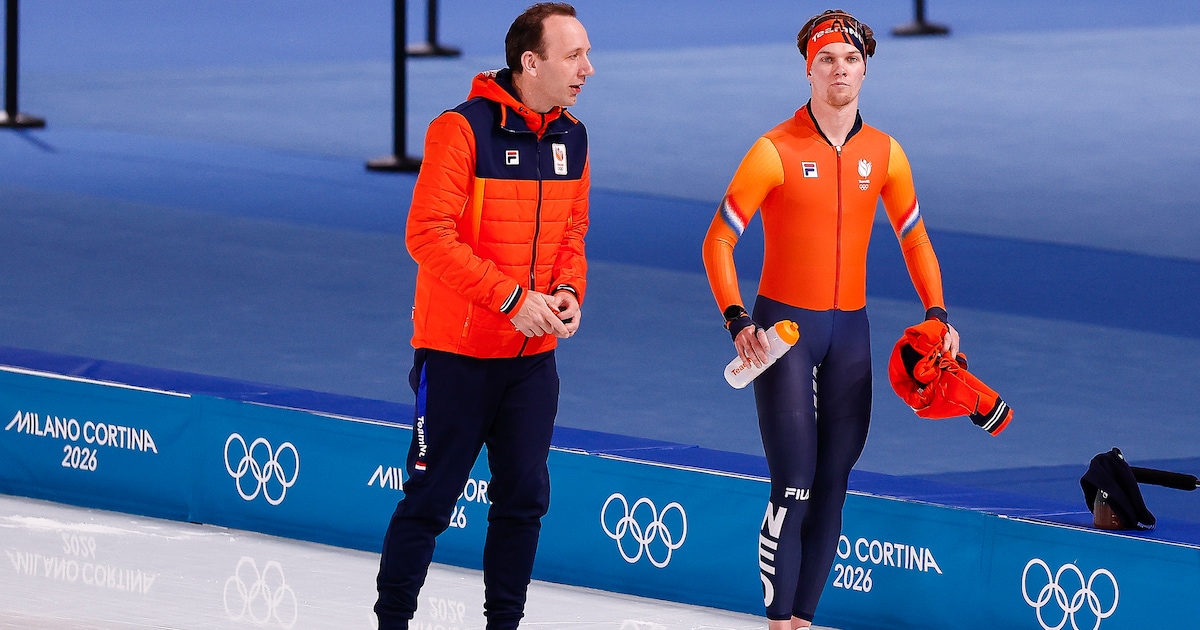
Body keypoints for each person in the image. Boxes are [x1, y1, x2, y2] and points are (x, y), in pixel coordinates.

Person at [701, 9, 959, 629]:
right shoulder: (774, 151)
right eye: (827, 60)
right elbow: (718, 242)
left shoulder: (886, 153)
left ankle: (803, 620)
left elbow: (916, 239)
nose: (839, 70)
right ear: (808, 69)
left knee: (833, 483)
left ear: (865, 68)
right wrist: (739, 322)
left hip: (850, 333)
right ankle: (776, 621)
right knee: (793, 482)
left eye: (850, 59)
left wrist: (938, 313)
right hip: (783, 332)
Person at [374, 4, 593, 629]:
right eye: (573, 56)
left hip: (530, 364)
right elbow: (428, 235)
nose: (588, 68)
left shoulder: (572, 136)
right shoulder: (460, 130)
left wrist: (567, 291)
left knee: (524, 503)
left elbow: (571, 232)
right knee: (429, 501)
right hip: (456, 359)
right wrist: (511, 299)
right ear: (532, 63)